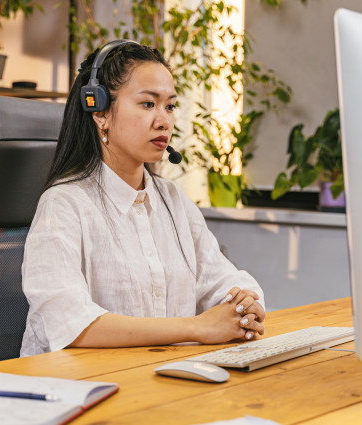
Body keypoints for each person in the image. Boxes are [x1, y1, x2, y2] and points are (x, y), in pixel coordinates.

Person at [20, 40, 266, 357]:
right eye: (148, 104)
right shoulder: (65, 204)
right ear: (100, 112)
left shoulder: (173, 200)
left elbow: (220, 280)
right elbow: (68, 323)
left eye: (170, 106)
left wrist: (244, 302)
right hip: (81, 389)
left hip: (158, 380)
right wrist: (198, 328)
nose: (163, 120)